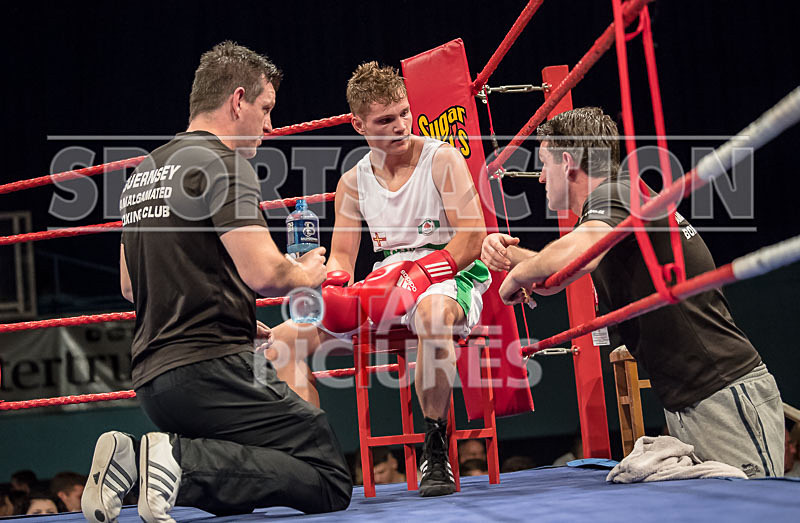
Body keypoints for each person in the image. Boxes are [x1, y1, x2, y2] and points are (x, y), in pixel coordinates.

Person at [80, 41, 352, 523]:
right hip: (211, 372)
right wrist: (311, 272)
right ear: (237, 100)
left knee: (242, 487)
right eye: (266, 109)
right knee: (328, 474)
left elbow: (130, 284)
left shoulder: (145, 171)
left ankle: (137, 464)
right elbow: (267, 273)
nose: (270, 126)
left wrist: (234, 319)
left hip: (154, 382)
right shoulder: (225, 162)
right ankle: (177, 461)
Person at [487, 106, 784, 478]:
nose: (541, 177)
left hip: (719, 390)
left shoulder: (616, 193)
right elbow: (562, 273)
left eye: (544, 163)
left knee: (755, 512)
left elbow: (575, 255)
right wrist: (509, 255)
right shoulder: (621, 200)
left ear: (567, 161)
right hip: (694, 397)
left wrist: (514, 279)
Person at [270, 61, 489, 497]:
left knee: (431, 317)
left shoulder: (441, 158)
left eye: (404, 113)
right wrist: (333, 291)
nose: (400, 125)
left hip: (449, 269)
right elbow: (343, 259)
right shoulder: (353, 182)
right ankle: (315, 458)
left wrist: (422, 274)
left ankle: (435, 445)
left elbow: (473, 236)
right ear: (358, 124)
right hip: (386, 275)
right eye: (386, 120)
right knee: (282, 341)